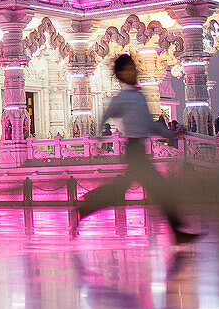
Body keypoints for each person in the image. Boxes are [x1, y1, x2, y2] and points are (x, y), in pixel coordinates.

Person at [73, 54, 199, 245]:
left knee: (121, 190)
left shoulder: (138, 97)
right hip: (134, 150)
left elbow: (151, 125)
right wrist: (98, 141)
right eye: (130, 68)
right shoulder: (123, 98)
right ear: (121, 74)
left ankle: (86, 207)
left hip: (139, 149)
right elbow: (105, 115)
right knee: (159, 190)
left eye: (134, 67)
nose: (134, 71)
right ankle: (177, 232)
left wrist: (171, 135)